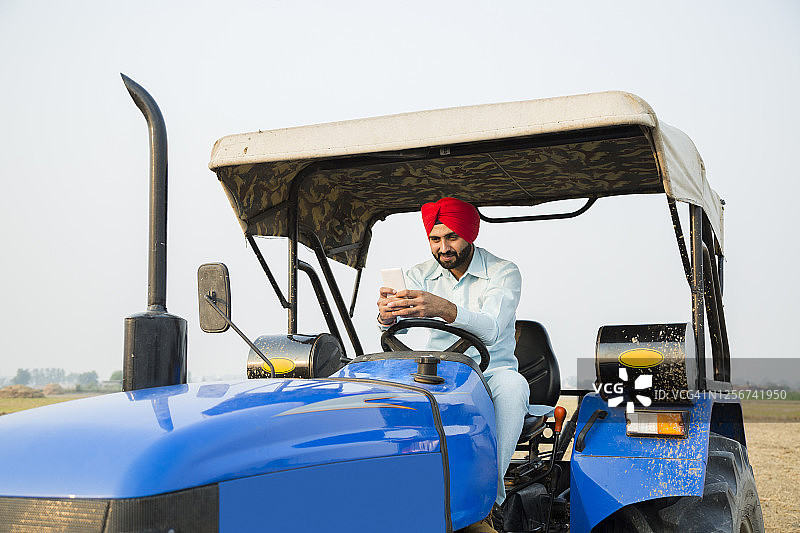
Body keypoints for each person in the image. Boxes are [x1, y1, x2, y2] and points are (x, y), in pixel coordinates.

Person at [377, 197, 530, 533]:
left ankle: (490, 499)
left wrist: (442, 307)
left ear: (469, 234)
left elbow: (490, 328)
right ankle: (402, 493)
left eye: (451, 237)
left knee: (514, 387)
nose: (443, 248)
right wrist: (385, 318)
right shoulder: (419, 274)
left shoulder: (503, 272)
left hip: (490, 373)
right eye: (435, 239)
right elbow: (398, 328)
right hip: (436, 373)